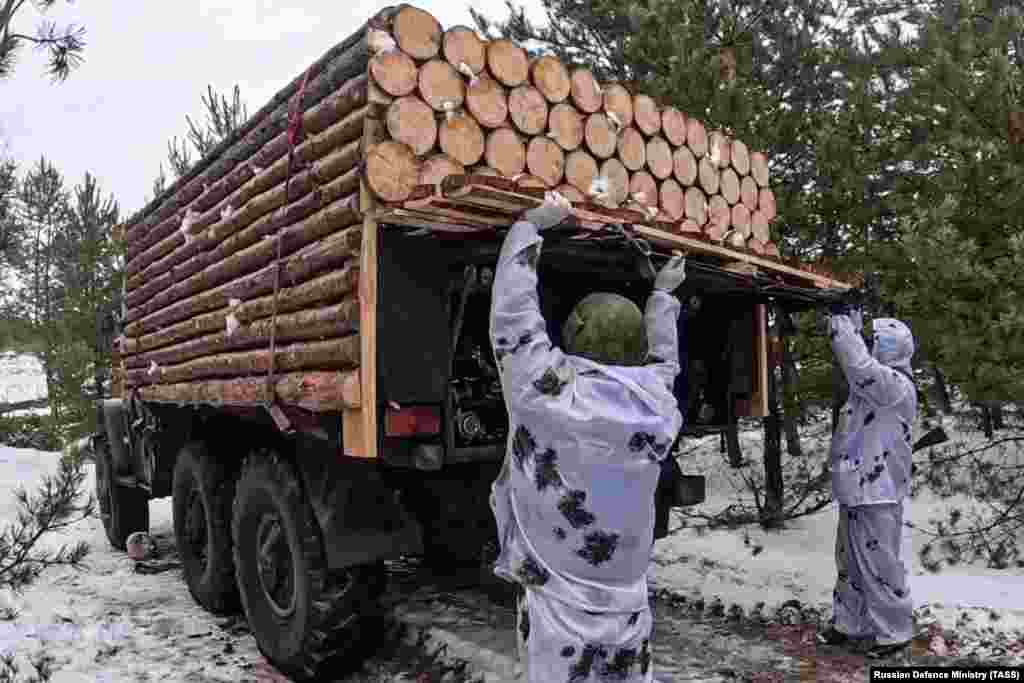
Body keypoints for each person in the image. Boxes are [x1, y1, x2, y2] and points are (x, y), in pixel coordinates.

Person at [488, 193, 687, 682]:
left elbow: (513, 321)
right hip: (627, 593)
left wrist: (529, 229)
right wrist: (662, 295)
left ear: (574, 333)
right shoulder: (658, 408)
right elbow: (666, 364)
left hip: (558, 594)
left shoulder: (547, 393)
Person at [819, 302, 917, 658]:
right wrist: (852, 329)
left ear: (885, 348)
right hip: (857, 490)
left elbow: (859, 366)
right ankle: (850, 625)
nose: (871, 346)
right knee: (849, 564)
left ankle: (895, 632)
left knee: (879, 565)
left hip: (879, 493)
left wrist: (842, 328)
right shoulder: (872, 390)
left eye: (875, 341)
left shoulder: (896, 387)